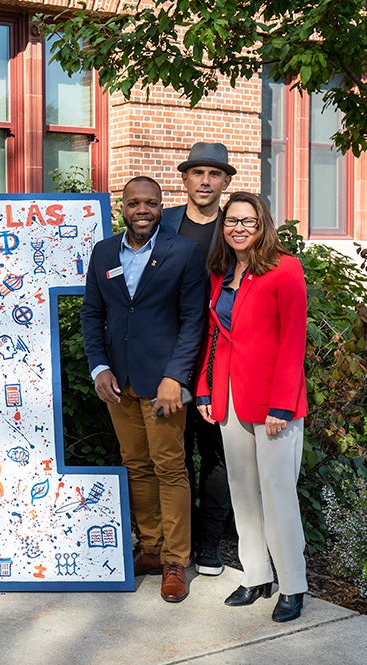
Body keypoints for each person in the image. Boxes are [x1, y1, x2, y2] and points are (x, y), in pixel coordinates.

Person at [81, 176, 207, 602]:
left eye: (150, 203)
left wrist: (176, 378)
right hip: (118, 383)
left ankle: (176, 560)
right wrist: (98, 368)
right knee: (136, 464)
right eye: (134, 202)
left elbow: (194, 322)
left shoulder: (183, 253)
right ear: (122, 206)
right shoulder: (102, 253)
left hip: (166, 386)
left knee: (170, 467)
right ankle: (150, 549)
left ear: (160, 205)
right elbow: (91, 314)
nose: (142, 210)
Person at [195, 191, 308, 622]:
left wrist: (281, 406)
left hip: (274, 403)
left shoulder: (285, 268)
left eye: (248, 221)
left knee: (278, 494)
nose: (239, 228)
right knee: (243, 492)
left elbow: (292, 340)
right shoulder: (220, 272)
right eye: (232, 222)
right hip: (228, 397)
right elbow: (213, 337)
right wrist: (205, 391)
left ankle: (293, 585)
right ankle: (257, 575)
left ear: (263, 226)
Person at [160, 141, 236, 576]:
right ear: (184, 179)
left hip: (218, 355)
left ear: (225, 181)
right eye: (198, 173)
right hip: (169, 355)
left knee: (216, 452)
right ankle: (178, 545)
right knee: (173, 453)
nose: (205, 181)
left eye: (214, 174)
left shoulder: (237, 225)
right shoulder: (164, 222)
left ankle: (209, 545)